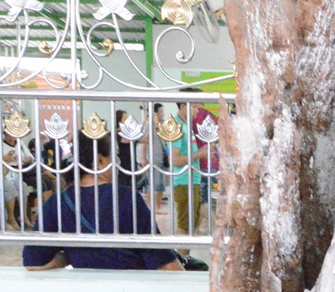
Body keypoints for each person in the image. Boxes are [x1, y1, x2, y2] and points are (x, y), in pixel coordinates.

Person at [22, 131, 183, 270]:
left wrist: (70, 255)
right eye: (115, 156)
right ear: (100, 161)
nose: (118, 162)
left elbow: (33, 262)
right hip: (130, 290)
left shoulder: (57, 202)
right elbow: (165, 264)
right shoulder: (126, 198)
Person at [170, 92, 211, 244]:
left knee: (192, 224)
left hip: (192, 180)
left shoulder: (187, 126)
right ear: (183, 106)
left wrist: (202, 153)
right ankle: (181, 257)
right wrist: (199, 154)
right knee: (185, 225)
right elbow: (175, 160)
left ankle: (185, 257)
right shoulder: (177, 127)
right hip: (184, 181)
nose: (197, 111)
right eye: (194, 107)